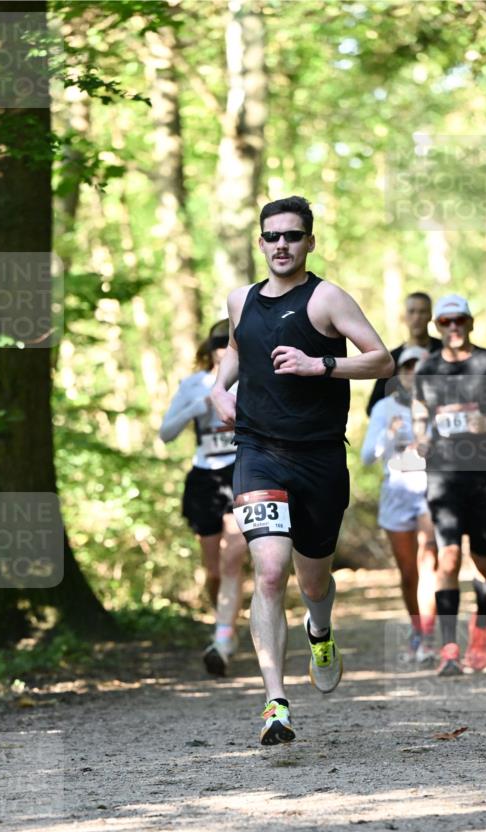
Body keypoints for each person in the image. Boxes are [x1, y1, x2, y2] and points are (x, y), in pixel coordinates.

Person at [210, 195, 393, 745]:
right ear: (260, 242)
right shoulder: (240, 299)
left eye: (292, 236)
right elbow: (238, 352)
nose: (281, 245)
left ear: (309, 242)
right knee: (268, 571)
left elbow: (382, 360)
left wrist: (322, 364)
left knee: (313, 580)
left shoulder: (327, 298)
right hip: (258, 451)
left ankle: (321, 630)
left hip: (318, 458)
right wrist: (219, 389)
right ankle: (276, 703)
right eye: (272, 237)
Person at [413, 294, 486, 676]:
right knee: (447, 557)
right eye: (445, 322)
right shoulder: (427, 370)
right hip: (444, 477)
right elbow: (419, 415)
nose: (453, 328)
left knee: (482, 559)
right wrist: (421, 438)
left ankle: (480, 623)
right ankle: (449, 649)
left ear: (470, 322)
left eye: (459, 320)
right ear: (437, 327)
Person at [160, 320, 248, 676]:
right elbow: (166, 434)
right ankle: (224, 625)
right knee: (213, 571)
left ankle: (223, 640)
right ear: (208, 348)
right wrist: (193, 409)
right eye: (218, 343)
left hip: (242, 471)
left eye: (230, 342)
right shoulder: (193, 384)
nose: (223, 349)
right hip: (204, 480)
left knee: (232, 562)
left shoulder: (252, 380)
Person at [361, 346, 437, 663]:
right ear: (399, 373)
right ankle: (417, 630)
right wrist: (388, 437)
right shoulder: (382, 408)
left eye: (421, 367)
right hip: (396, 492)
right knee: (409, 574)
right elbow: (366, 458)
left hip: (430, 491)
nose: (414, 373)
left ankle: (430, 637)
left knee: (429, 559)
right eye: (407, 367)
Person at [365, 291, 442, 416]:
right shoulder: (392, 359)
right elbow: (373, 408)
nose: (417, 317)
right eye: (412, 311)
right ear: (404, 316)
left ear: (430, 316)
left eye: (422, 312)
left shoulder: (444, 351)